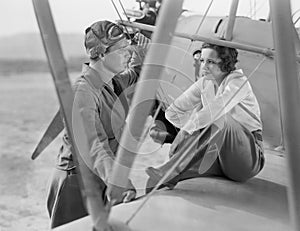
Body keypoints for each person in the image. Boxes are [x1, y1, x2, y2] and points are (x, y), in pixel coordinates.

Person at [46, 20, 149, 228]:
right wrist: (119, 181)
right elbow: (94, 145)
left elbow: (139, 73)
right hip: (77, 184)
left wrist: (141, 48)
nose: (127, 55)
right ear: (101, 54)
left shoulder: (113, 81)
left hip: (102, 176)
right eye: (121, 51)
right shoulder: (82, 92)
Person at [145, 42, 265, 192]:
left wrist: (188, 130)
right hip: (216, 155)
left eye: (210, 62)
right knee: (155, 183)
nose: (204, 66)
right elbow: (172, 112)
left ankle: (169, 171)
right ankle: (160, 183)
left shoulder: (239, 82)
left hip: (248, 158)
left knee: (221, 119)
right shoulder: (205, 82)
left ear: (226, 63)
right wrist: (188, 132)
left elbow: (218, 109)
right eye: (202, 60)